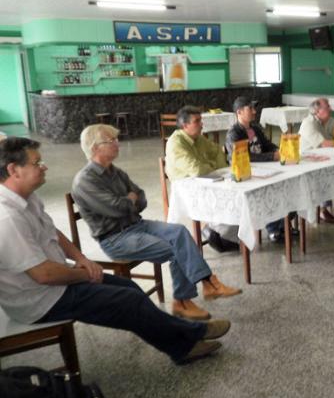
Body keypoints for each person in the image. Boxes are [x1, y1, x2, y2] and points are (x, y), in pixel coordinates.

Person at [0, 137, 230, 364]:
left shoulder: (28, 198)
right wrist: (85, 273)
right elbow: (44, 275)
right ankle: (193, 334)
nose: (44, 166)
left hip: (58, 280)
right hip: (41, 300)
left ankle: (183, 345)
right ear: (14, 170)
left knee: (130, 287)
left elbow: (53, 232)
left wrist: (81, 259)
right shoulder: (7, 216)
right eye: (36, 163)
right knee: (128, 301)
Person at [72, 124, 240, 321]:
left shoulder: (115, 172)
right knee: (175, 248)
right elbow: (117, 208)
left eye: (116, 139)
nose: (118, 143)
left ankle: (206, 285)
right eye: (111, 141)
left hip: (137, 225)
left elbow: (141, 198)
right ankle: (185, 299)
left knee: (179, 232)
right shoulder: (85, 181)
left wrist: (130, 200)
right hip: (115, 238)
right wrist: (129, 200)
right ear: (94, 148)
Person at [165, 105, 237, 252]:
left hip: (205, 180)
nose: (201, 124)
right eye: (197, 121)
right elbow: (196, 169)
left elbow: (217, 150)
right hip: (186, 187)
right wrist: (212, 165)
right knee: (227, 198)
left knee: (235, 194)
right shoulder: (175, 143)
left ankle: (218, 232)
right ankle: (214, 230)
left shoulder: (198, 138)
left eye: (201, 120)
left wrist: (212, 166)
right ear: (185, 125)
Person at [226, 96, 298, 242]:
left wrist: (281, 149)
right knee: (269, 190)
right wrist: (272, 156)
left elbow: (267, 145)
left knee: (288, 183)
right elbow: (245, 156)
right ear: (239, 112)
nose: (254, 111)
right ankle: (273, 228)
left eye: (254, 108)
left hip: (264, 167)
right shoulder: (234, 133)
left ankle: (283, 223)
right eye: (250, 108)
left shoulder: (255, 128)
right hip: (248, 172)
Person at [298, 98, 334, 223]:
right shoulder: (308, 123)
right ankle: (322, 210)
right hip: (306, 160)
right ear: (317, 111)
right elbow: (324, 143)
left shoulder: (330, 120)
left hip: (324, 157)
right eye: (327, 107)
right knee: (325, 173)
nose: (330, 109)